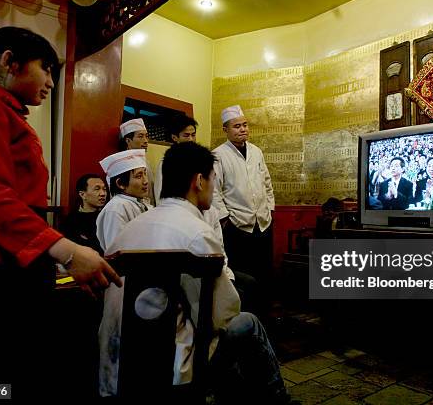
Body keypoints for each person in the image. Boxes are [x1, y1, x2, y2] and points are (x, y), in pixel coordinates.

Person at [0, 26, 121, 397]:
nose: (51, 83)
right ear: (9, 61)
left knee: (21, 369)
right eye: (46, 68)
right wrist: (69, 251)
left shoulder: (12, 116)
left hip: (13, 259)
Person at [99, 142, 296, 404]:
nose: (215, 188)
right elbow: (222, 314)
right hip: (171, 367)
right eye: (214, 179)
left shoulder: (131, 228)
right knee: (248, 323)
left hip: (119, 364)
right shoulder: (196, 233)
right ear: (199, 181)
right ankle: (276, 400)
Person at [155, 113, 260, 314]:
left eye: (194, 135)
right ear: (199, 182)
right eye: (186, 135)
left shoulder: (208, 214)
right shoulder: (192, 227)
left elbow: (219, 252)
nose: (191, 139)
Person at [212, 105, 275, 286]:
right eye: (237, 126)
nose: (243, 129)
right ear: (225, 129)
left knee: (263, 272)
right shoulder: (218, 155)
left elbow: (267, 183)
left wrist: (270, 209)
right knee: (243, 274)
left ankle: (263, 312)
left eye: (245, 125)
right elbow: (215, 191)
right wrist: (225, 219)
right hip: (237, 225)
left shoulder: (256, 151)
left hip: (263, 223)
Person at [96, 149, 150, 252]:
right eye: (138, 176)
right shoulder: (116, 209)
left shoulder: (139, 203)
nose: (146, 181)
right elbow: (117, 251)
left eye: (145, 174)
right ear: (120, 183)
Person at [61, 173, 106, 254]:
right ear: (82, 194)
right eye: (97, 189)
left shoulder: (107, 215)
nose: (102, 194)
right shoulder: (71, 220)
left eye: (104, 189)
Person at [119, 118, 155, 205]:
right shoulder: (121, 164)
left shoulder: (146, 162)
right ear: (128, 140)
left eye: (146, 136)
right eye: (140, 136)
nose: (146, 141)